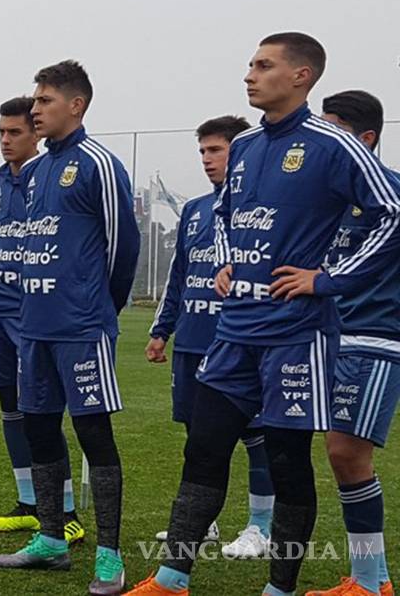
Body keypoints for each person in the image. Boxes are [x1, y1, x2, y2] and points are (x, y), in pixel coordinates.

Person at [127, 33, 400, 596]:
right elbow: (227, 211)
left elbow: (392, 214)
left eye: (264, 65)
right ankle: (173, 577)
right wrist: (228, 260)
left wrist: (327, 280)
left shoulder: (332, 143)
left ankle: (283, 587)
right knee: (203, 446)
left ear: (302, 76)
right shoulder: (246, 146)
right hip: (236, 330)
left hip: (297, 336)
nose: (250, 75)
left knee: (288, 458)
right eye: (250, 64)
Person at [0, 61, 140, 596]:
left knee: (94, 434)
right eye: (36, 99)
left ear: (75, 105)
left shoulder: (98, 163)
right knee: (39, 428)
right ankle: (51, 540)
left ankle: (110, 556)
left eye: (46, 100)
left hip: (82, 326)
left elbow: (124, 246)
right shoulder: (34, 171)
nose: (35, 108)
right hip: (34, 326)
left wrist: (102, 307)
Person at [146, 115, 276, 559]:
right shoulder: (196, 210)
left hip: (240, 343)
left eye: (215, 150)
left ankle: (261, 526)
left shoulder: (262, 206)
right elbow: (179, 274)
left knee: (256, 436)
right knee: (197, 435)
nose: (206, 159)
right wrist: (162, 330)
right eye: (202, 151)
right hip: (194, 343)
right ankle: (204, 519)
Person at [0, 96, 84, 544]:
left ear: (35, 134)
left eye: (14, 132)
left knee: (42, 408)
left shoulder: (48, 178)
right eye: (0, 132)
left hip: (33, 309)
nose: (5, 140)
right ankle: (28, 503)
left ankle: (66, 511)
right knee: (10, 404)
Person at [305, 90, 396, 596]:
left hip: (376, 338)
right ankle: (374, 578)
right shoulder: (330, 203)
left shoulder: (391, 199)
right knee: (338, 454)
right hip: (330, 338)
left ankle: (366, 583)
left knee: (346, 454)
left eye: (335, 132)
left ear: (366, 140)